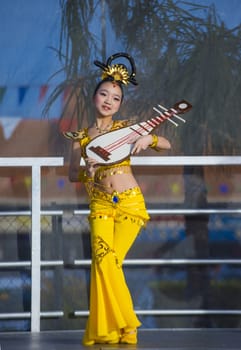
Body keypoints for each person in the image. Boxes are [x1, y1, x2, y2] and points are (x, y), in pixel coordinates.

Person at [63, 52, 171, 346]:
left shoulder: (127, 129)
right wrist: (88, 171)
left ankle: (118, 328)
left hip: (129, 202)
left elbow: (166, 142)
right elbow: (72, 175)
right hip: (99, 204)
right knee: (104, 263)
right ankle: (123, 326)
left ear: (120, 104)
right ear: (94, 97)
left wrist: (146, 139)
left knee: (109, 263)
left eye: (116, 97)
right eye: (104, 94)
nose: (109, 101)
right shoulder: (80, 137)